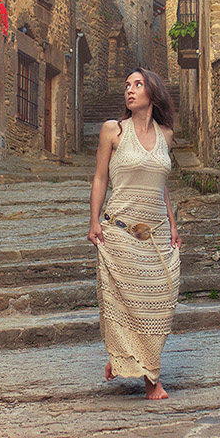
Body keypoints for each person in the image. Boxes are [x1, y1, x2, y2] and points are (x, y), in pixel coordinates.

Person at [88, 68, 181, 400]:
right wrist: (94, 220)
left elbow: (162, 187)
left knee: (160, 303)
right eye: (127, 85)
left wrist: (172, 225)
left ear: (152, 93)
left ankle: (124, 357)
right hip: (120, 231)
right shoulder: (113, 130)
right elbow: (100, 178)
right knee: (124, 303)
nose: (130, 90)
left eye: (137, 85)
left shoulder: (165, 134)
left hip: (155, 235)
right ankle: (150, 379)